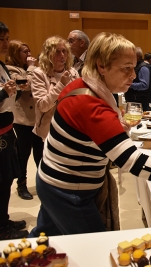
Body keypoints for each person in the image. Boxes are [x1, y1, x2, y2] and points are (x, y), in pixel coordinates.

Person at [28, 32, 151, 237]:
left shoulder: (82, 85)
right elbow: (132, 161)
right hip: (68, 191)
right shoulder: (90, 104)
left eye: (134, 67)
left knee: (43, 241)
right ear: (101, 66)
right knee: (94, 248)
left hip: (50, 179)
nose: (134, 75)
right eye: (126, 69)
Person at [0, 22, 29, 240]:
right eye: (1, 39)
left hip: (7, 130)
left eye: (7, 38)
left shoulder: (1, 65)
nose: (5, 43)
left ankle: (3, 220)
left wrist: (15, 91)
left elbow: (8, 100)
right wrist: (3, 93)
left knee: (7, 177)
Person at [31, 36, 79, 166]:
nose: (62, 55)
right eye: (57, 51)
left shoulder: (73, 73)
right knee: (47, 172)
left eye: (64, 51)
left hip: (69, 131)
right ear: (48, 54)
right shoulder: (39, 74)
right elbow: (42, 105)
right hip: (47, 133)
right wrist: (61, 85)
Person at [5, 40, 38, 200]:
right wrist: (31, 69)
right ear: (15, 53)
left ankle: (43, 182)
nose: (29, 55)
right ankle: (22, 185)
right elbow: (24, 85)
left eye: (29, 51)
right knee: (23, 154)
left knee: (40, 153)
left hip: (37, 118)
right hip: (23, 119)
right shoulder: (10, 69)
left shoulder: (28, 69)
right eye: (24, 52)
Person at [124, 47, 151, 111]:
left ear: (138, 56)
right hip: (134, 100)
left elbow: (144, 85)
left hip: (140, 102)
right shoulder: (135, 66)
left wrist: (129, 84)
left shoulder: (143, 67)